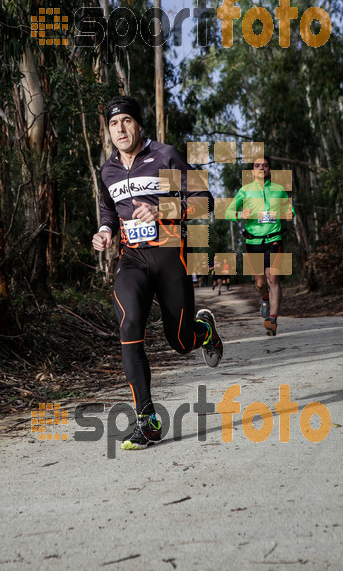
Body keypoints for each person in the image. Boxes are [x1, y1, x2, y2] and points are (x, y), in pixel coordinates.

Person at [92, 96, 223, 449]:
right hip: (132, 260)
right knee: (129, 323)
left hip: (169, 257)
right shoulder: (108, 171)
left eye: (127, 122)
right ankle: (147, 420)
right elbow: (108, 211)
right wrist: (105, 231)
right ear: (108, 131)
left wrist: (163, 208)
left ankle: (204, 329)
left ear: (139, 124)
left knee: (180, 343)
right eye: (114, 124)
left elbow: (205, 200)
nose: (121, 129)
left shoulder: (165, 156)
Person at [225, 156, 293, 336]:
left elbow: (289, 208)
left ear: (270, 169)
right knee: (260, 282)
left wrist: (289, 213)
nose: (262, 167)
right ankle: (264, 298)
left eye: (265, 165)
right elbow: (228, 211)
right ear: (253, 171)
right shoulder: (245, 190)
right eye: (257, 165)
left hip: (274, 239)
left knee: (273, 279)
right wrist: (240, 214)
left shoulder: (279, 189)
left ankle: (272, 318)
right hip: (252, 242)